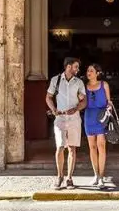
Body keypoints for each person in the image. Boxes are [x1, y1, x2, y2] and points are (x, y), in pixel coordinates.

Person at [46, 57, 86, 190]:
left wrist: (76, 108)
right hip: (60, 119)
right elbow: (48, 97)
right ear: (68, 67)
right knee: (60, 147)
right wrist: (53, 109)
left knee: (72, 148)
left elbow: (84, 101)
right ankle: (59, 177)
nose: (77, 69)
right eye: (76, 67)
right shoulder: (55, 80)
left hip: (74, 119)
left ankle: (69, 178)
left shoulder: (79, 82)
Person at [83, 63, 114, 189]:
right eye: (87, 70)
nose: (88, 73)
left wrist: (109, 108)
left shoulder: (104, 85)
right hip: (89, 116)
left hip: (101, 117)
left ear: (97, 73)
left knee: (101, 146)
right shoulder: (84, 87)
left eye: (91, 70)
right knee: (92, 146)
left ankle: (101, 176)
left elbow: (109, 101)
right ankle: (95, 174)